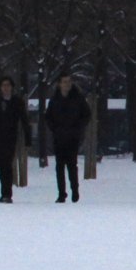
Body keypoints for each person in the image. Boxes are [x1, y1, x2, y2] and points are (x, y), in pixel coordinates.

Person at [45, 74, 92, 203]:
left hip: (73, 137)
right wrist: (55, 129)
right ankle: (61, 193)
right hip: (59, 137)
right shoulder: (54, 100)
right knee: (59, 166)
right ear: (59, 84)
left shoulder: (78, 99)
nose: (67, 84)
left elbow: (86, 115)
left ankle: (75, 191)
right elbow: (48, 117)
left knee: (72, 165)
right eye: (64, 82)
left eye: (69, 82)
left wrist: (78, 128)